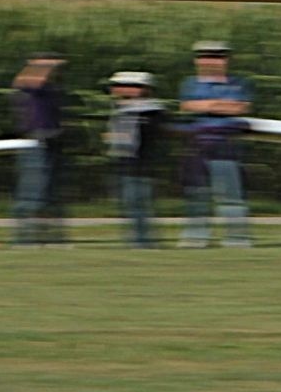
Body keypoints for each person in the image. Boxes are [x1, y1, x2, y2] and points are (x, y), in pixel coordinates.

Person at [177, 39, 253, 247]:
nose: (211, 62)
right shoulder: (189, 83)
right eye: (205, 57)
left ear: (225, 60)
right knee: (196, 194)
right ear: (198, 61)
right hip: (197, 144)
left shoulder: (238, 83)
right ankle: (195, 238)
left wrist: (204, 105)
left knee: (231, 195)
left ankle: (237, 239)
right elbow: (187, 106)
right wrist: (219, 105)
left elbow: (239, 108)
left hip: (225, 143)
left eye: (217, 57)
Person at [10, 51, 67, 245]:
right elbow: (25, 81)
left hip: (52, 140)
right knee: (31, 192)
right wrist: (43, 65)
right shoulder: (31, 88)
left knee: (51, 194)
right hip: (35, 141)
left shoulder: (51, 89)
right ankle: (24, 239)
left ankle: (53, 238)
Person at [106, 70, 166, 247]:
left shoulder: (151, 110)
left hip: (142, 164)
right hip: (124, 163)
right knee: (130, 205)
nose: (120, 90)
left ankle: (144, 241)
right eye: (117, 86)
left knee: (139, 203)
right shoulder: (120, 110)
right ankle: (136, 239)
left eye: (128, 86)